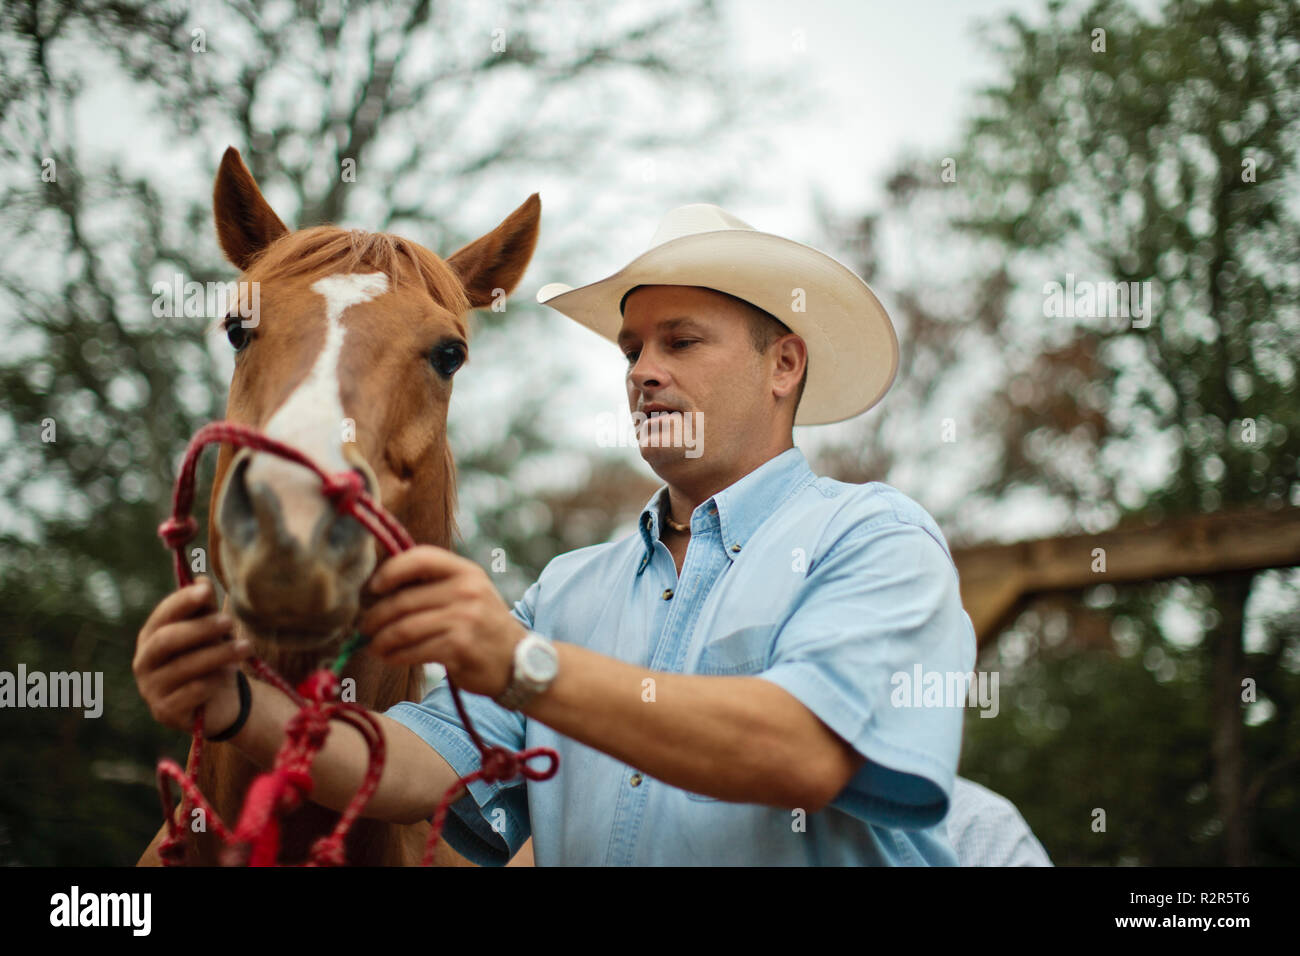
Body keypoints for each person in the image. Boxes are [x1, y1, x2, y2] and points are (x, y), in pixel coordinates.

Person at [135, 203, 982, 865]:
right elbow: (414, 769)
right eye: (631, 350)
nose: (644, 371)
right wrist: (238, 706)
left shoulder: (875, 537)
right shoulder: (568, 591)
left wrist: (521, 666)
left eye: (681, 341)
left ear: (784, 366)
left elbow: (807, 751)